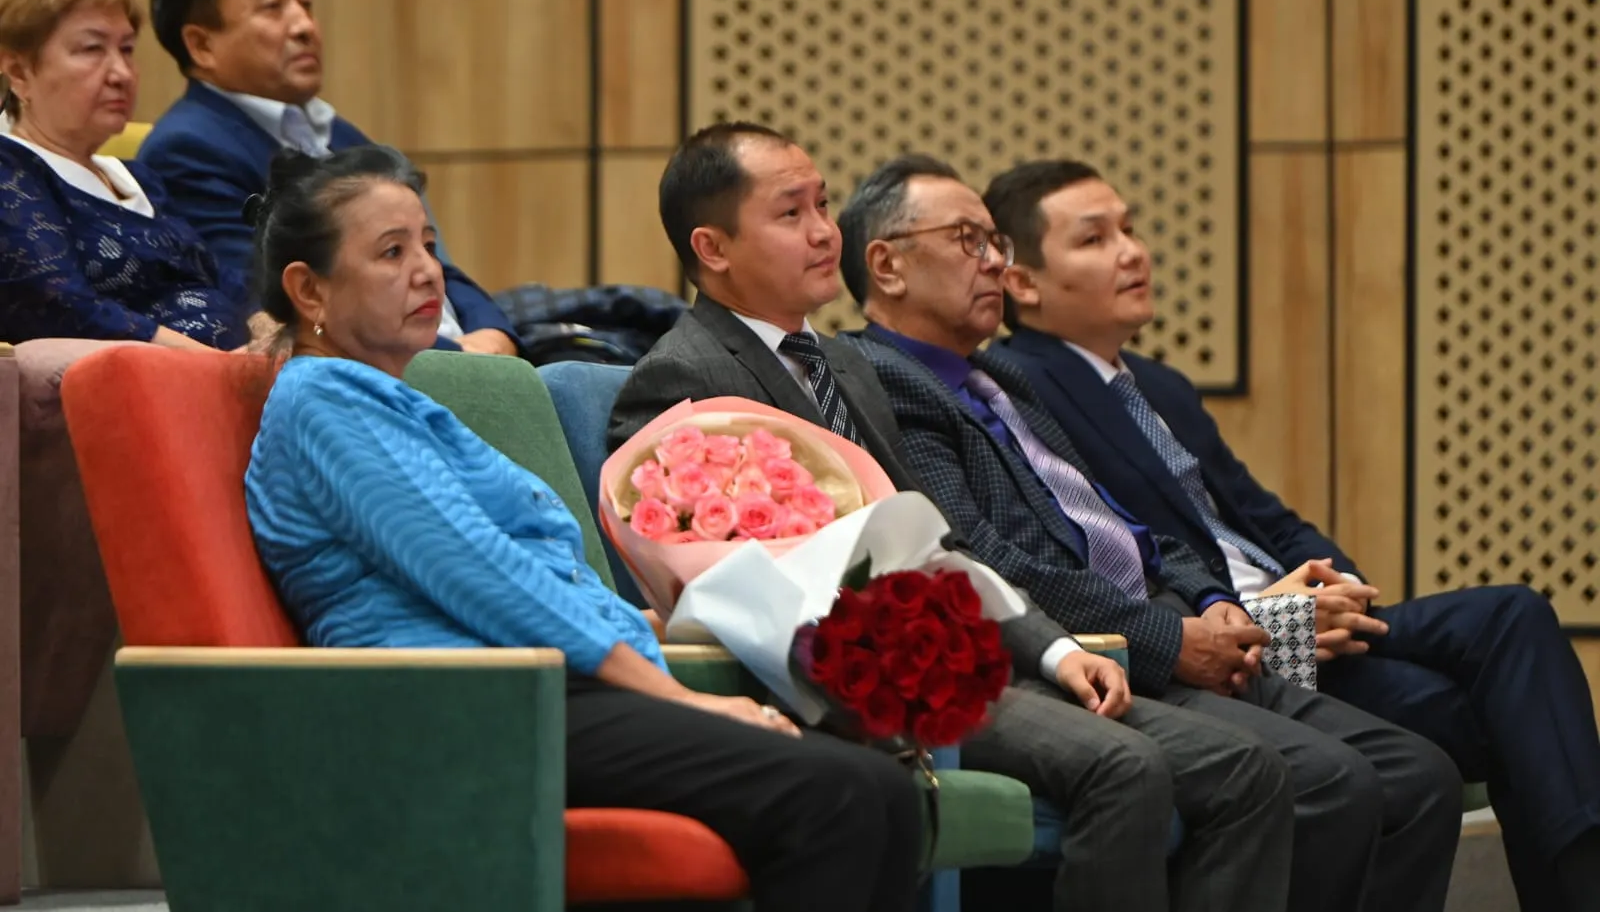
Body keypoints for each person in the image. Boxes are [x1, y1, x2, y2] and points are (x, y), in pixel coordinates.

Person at [608, 124, 1296, 912]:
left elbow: (940, 540)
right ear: (713, 247)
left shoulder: (845, 363)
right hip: (861, 678)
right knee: (1126, 768)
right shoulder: (679, 379)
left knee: (1248, 768)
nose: (825, 231)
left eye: (824, 204)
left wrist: (1055, 648)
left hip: (970, 645)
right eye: (791, 213)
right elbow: (720, 586)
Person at [241, 144, 924, 912]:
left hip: (536, 685)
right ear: (309, 288)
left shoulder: (397, 402)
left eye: (429, 244)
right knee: (837, 796)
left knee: (889, 792)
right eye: (392, 252)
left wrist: (643, 622)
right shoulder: (324, 404)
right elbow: (483, 575)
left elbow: (536, 572)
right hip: (460, 708)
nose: (429, 272)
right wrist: (683, 699)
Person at [836, 154, 1464, 912]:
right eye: (970, 240)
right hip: (1095, 646)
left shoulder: (1007, 381)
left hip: (1187, 620)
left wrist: (1211, 598)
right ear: (888, 266)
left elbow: (1121, 523)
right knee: (1331, 780)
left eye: (995, 242)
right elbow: (983, 557)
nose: (994, 262)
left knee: (1420, 773)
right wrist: (1173, 637)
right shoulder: (884, 380)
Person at [981, 157, 1600, 912]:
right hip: (1232, 644)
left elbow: (1264, 515)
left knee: (1513, 625)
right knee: (1512, 715)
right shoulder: (1020, 387)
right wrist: (1274, 617)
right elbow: (1112, 555)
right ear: (1024, 282)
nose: (1132, 252)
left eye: (1131, 229)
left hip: (1310, 622)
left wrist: (1341, 586)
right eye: (1095, 239)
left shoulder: (1158, 385)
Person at [137, 0, 518, 357]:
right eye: (273, 7)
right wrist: (460, 358)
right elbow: (275, 305)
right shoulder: (188, 152)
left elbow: (435, 262)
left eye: (305, 3)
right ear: (202, 45)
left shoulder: (335, 131)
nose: (304, 25)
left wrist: (494, 333)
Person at [0, 0, 248, 348]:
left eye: (127, 49)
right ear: (19, 72)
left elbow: (221, 279)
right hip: (151, 378)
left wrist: (271, 327)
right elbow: (65, 308)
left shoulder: (137, 178)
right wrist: (226, 367)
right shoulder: (11, 172)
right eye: (92, 49)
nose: (122, 73)